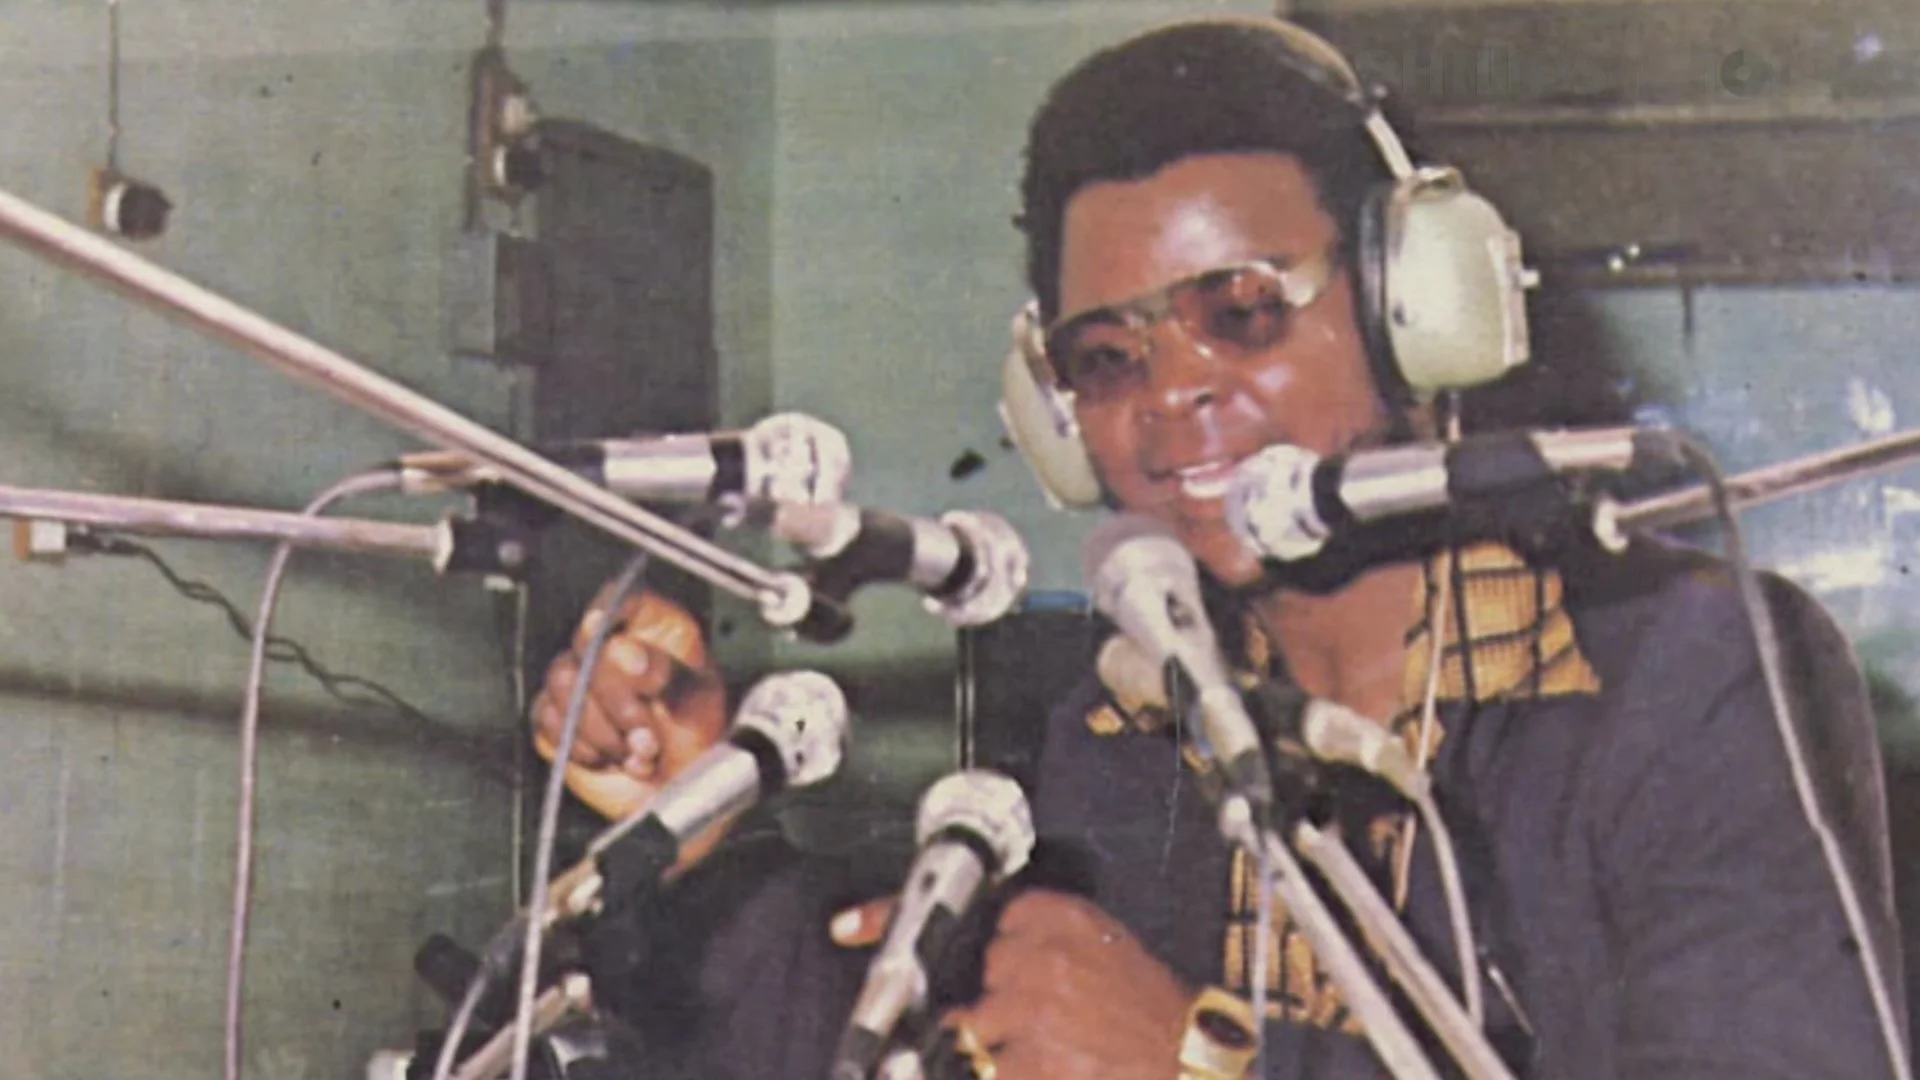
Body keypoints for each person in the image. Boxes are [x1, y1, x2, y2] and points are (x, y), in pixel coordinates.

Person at [527, 17, 1905, 1080]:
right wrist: (698, 813)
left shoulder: (1703, 679)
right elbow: (929, 1021)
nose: (1171, 397)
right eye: (1108, 353)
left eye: (1240, 313)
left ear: (1412, 315)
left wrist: (1205, 1055)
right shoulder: (1120, 730)